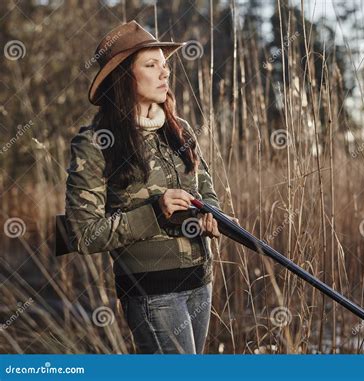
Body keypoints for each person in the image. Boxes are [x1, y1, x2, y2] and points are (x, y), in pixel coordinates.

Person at [65, 20, 237, 354]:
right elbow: (81, 233)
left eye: (165, 65)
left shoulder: (179, 128)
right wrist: (155, 212)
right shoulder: (95, 143)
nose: (164, 73)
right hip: (152, 291)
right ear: (123, 76)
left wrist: (211, 216)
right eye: (151, 64)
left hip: (201, 281)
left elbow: (206, 187)